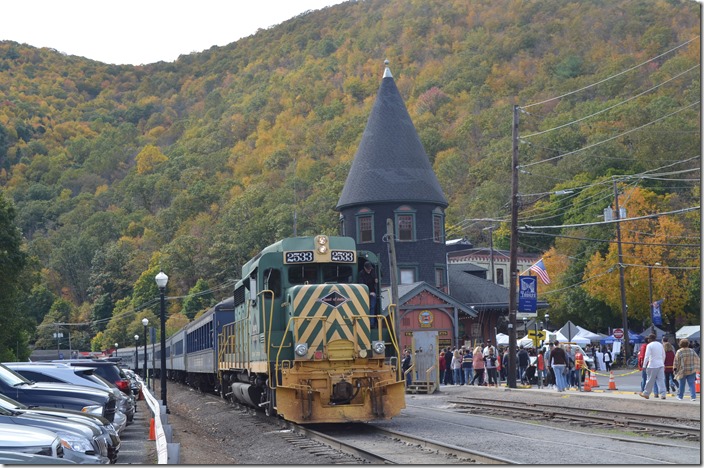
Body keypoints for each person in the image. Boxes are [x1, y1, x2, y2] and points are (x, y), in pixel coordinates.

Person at [639, 333, 667, 400]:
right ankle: (663, 394)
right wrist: (662, 362)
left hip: (652, 365)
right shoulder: (660, 344)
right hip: (660, 364)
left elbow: (647, 356)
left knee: (650, 380)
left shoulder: (649, 345)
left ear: (650, 339)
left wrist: (644, 365)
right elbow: (664, 355)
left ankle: (646, 393)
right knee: (661, 380)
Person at [359, 261, 378, 327]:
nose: (369, 270)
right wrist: (369, 293)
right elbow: (362, 285)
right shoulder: (361, 274)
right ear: (364, 268)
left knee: (372, 306)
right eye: (368, 269)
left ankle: (371, 323)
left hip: (373, 292)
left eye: (370, 268)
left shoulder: (373, 272)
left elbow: (378, 276)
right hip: (364, 292)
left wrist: (376, 279)